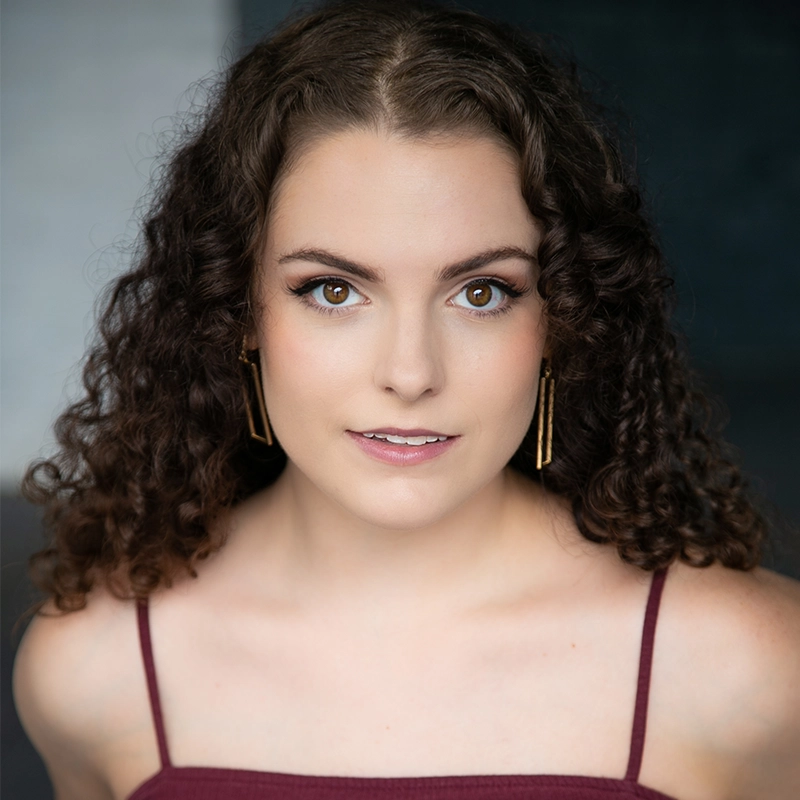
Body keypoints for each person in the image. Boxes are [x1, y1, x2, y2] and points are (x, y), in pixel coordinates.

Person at [11, 0, 800, 798]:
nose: (412, 372)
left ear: (565, 317)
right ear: (235, 309)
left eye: (483, 292)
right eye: (332, 289)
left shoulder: (747, 672)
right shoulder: (96, 669)